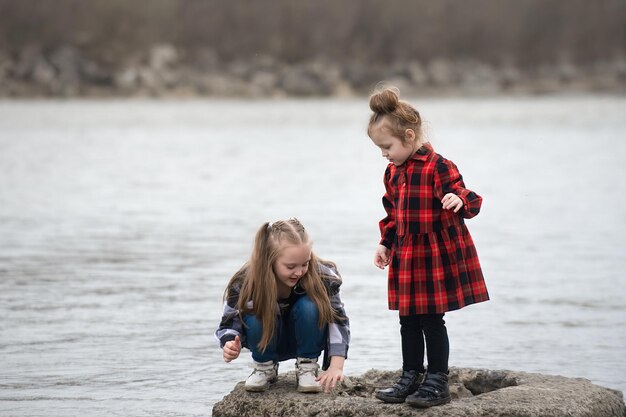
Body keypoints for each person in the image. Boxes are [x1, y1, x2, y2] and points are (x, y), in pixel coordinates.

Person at [367, 86, 489, 408]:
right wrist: (385, 243)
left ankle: (437, 380)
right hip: (406, 255)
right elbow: (393, 214)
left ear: (409, 136)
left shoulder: (438, 166)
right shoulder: (393, 172)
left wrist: (457, 199)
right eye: (380, 148)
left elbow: (471, 198)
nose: (384, 154)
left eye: (387, 146)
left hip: (434, 255)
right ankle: (411, 375)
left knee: (432, 320)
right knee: (407, 319)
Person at [215, 218, 350, 394]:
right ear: (269, 261)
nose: (300, 272)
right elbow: (229, 322)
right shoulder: (245, 282)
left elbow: (338, 320)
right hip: (265, 340)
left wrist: (336, 366)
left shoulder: (322, 277)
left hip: (307, 339)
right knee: (257, 307)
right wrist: (230, 343)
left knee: (311, 305)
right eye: (290, 266)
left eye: (305, 263)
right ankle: (265, 367)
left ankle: (308, 367)